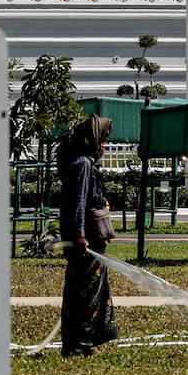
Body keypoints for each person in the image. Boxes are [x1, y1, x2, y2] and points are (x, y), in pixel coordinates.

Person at [56, 114, 118, 357]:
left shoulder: (82, 162)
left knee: (86, 289)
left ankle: (79, 342)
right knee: (87, 291)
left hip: (88, 240)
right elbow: (79, 203)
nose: (104, 146)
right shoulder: (83, 164)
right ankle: (82, 342)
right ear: (91, 141)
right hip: (86, 240)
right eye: (102, 142)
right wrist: (80, 235)